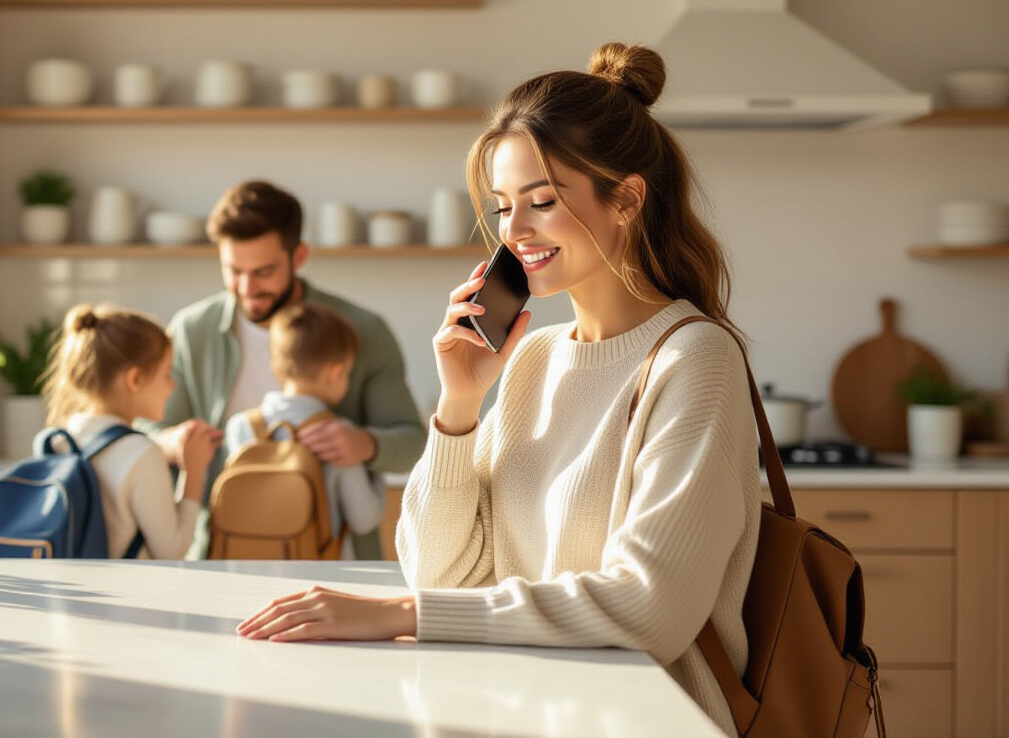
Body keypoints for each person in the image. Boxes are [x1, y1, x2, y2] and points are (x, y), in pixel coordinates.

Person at [234, 42, 761, 736]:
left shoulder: (695, 360)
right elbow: (442, 578)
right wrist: (457, 410)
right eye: (503, 206)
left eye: (541, 201)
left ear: (628, 198)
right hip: (516, 710)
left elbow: (649, 612)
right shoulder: (534, 357)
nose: (514, 232)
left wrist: (400, 616)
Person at [144, 180, 426, 560]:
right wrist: (173, 443)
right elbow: (151, 432)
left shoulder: (362, 331)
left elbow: (413, 443)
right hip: (221, 557)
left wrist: (366, 444)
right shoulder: (193, 331)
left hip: (334, 565)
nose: (246, 288)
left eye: (263, 272)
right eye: (233, 270)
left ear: (300, 256)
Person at [43, 303, 220, 560]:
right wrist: (193, 471)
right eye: (167, 374)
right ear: (135, 379)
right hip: (123, 596)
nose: (172, 387)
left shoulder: (59, 439)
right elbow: (171, 551)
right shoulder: (142, 453)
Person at [221, 303, 385, 558]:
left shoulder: (241, 426)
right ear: (335, 373)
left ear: (277, 367)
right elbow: (364, 518)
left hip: (251, 562)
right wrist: (377, 474)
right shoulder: (337, 434)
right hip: (321, 571)